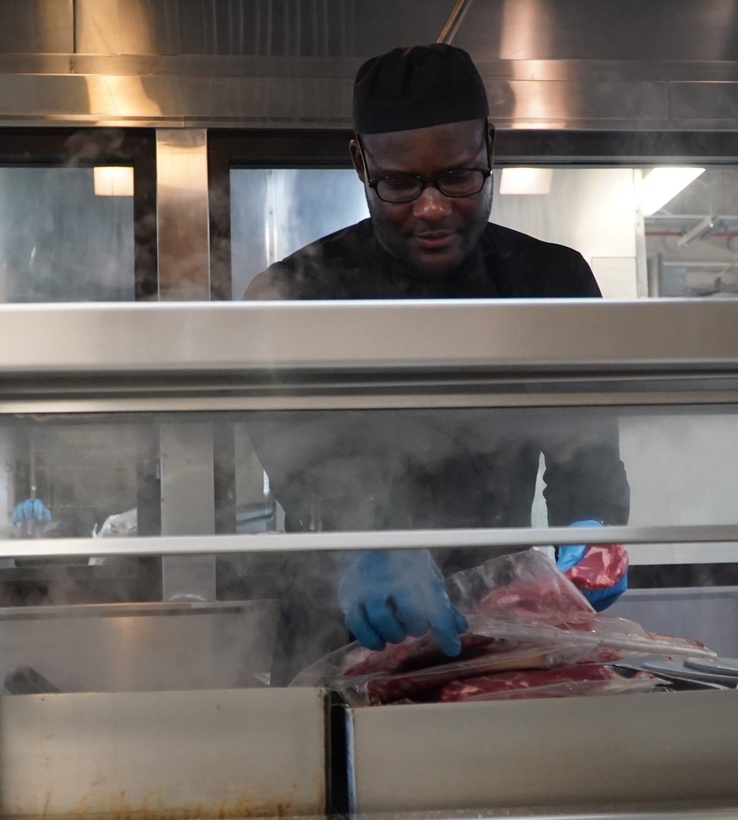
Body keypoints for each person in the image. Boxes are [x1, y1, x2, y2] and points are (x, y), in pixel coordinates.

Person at [244, 44, 631, 685]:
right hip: (341, 624)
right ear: (360, 162)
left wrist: (593, 529)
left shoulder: (549, 280)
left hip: (501, 628)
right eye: (399, 183)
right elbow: (299, 459)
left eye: (458, 177)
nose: (430, 208)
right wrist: (368, 538)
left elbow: (585, 455)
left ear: (490, 148)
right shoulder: (296, 293)